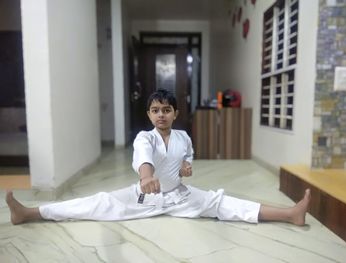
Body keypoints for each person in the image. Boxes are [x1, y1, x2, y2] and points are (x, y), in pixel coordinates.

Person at [6, 89, 311, 226]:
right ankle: (29, 214)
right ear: (149, 114)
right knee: (97, 203)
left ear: (175, 113)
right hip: (144, 196)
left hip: (179, 196)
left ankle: (290, 214)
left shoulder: (183, 137)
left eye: (166, 110)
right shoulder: (144, 137)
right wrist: (146, 178)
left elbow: (186, 157)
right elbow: (144, 158)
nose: (161, 115)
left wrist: (186, 165)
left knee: (222, 203)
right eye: (155, 110)